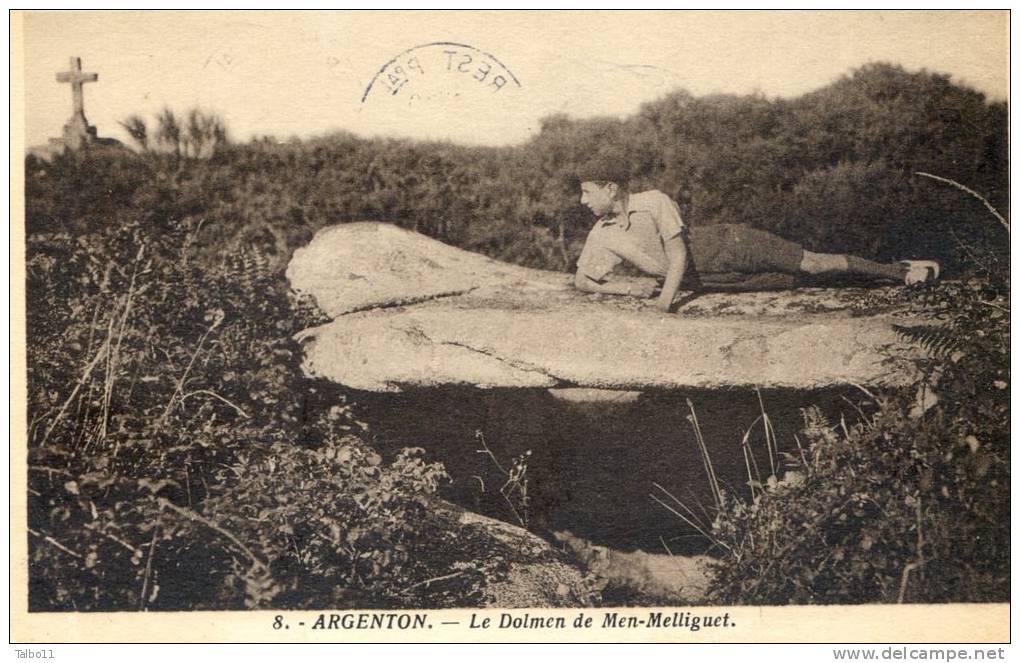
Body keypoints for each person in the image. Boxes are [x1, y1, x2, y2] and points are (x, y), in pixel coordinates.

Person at [572, 161, 940, 312]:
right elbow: (582, 281)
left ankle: (900, 272)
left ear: (610, 187)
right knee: (798, 283)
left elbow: (679, 254)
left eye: (588, 192)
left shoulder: (653, 202)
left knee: (811, 264)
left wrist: (664, 302)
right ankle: (890, 268)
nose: (583, 200)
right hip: (714, 281)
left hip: (732, 246)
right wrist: (625, 290)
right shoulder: (602, 233)